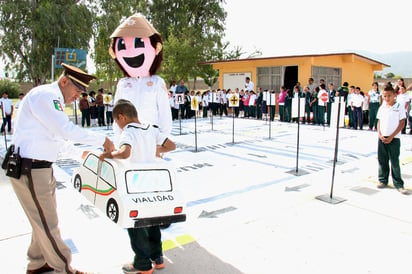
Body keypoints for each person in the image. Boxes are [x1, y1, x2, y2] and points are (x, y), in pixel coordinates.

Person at [9, 63, 114, 274]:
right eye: (76, 91)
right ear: (64, 81)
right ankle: (64, 268)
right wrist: (102, 139)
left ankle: (38, 262)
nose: (77, 97)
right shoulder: (46, 96)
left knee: (42, 220)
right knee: (48, 223)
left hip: (40, 169)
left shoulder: (49, 98)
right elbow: (65, 130)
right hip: (31, 169)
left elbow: (54, 138)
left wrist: (80, 154)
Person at [99, 100, 175, 274]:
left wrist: (108, 155)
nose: (118, 125)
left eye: (117, 122)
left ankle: (142, 264)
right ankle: (158, 258)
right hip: (154, 182)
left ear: (121, 117)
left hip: (135, 183)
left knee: (136, 224)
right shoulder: (151, 128)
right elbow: (171, 145)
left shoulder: (129, 131)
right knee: (153, 221)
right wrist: (155, 150)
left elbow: (125, 152)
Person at [376, 83, 407, 194]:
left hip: (394, 139)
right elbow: (379, 121)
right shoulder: (382, 107)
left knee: (394, 162)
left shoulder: (399, 107)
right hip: (382, 138)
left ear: (394, 95)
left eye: (389, 95)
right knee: (382, 160)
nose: (387, 98)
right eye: (384, 96)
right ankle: (383, 180)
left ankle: (398, 184)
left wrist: (391, 136)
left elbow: (402, 123)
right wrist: (380, 134)